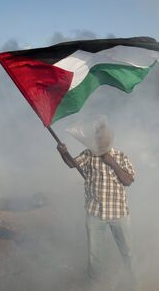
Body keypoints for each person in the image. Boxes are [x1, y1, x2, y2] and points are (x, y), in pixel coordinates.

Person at [56, 122, 136, 288]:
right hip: (95, 213)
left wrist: (111, 162)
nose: (103, 141)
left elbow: (128, 181)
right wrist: (63, 153)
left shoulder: (121, 156)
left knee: (127, 251)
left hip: (119, 213)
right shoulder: (89, 154)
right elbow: (72, 164)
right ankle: (95, 284)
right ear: (95, 139)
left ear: (111, 139)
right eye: (99, 138)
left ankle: (133, 281)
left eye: (106, 138)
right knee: (94, 254)